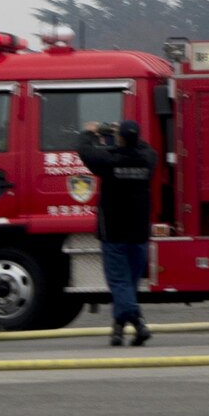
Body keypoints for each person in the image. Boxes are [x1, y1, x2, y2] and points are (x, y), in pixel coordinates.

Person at [78, 119, 157, 346]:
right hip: (139, 232)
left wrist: (90, 132)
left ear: (120, 139)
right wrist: (124, 135)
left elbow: (85, 151)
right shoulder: (148, 160)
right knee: (129, 284)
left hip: (114, 232)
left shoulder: (108, 161)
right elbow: (145, 148)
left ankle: (139, 323)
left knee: (119, 283)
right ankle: (118, 330)